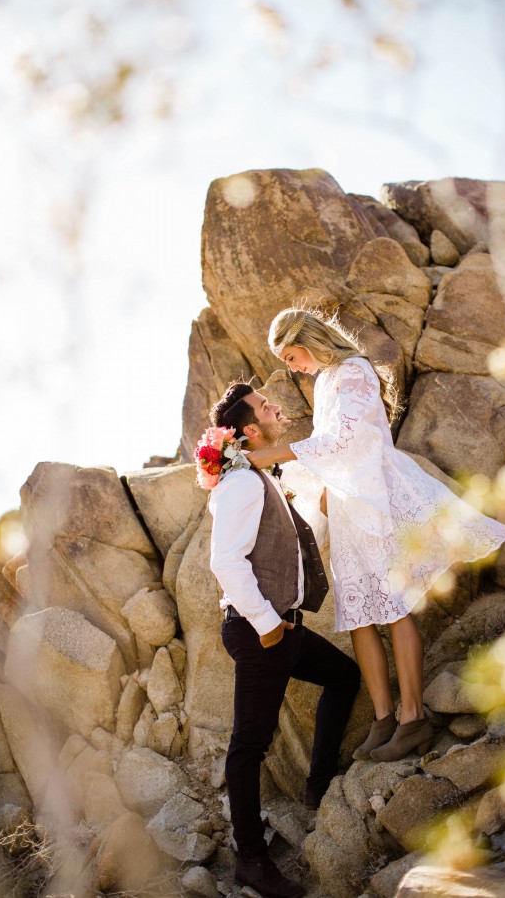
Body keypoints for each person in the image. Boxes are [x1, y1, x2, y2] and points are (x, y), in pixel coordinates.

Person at [247, 307, 505, 764]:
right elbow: (329, 451)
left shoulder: (355, 371)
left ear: (308, 339)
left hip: (377, 499)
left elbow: (341, 442)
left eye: (292, 357)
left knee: (392, 607)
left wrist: (268, 455)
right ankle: (384, 719)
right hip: (350, 505)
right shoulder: (326, 382)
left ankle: (413, 720)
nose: (293, 369)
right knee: (358, 616)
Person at [207, 382, 361, 898]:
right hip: (260, 632)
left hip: (284, 628)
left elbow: (284, 544)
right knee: (249, 744)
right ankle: (251, 860)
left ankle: (318, 782)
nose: (276, 407)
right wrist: (268, 624)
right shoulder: (241, 484)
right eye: (266, 407)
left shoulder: (264, 477)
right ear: (251, 430)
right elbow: (225, 562)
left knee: (344, 676)